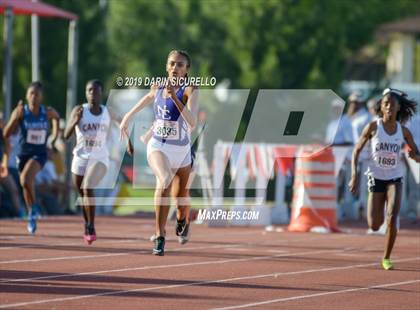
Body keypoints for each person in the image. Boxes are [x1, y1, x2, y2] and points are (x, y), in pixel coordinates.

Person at [120, 50, 198, 256]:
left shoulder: (190, 89)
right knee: (164, 181)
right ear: (166, 66)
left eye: (180, 65)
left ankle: (182, 220)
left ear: (186, 69)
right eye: (172, 64)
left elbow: (192, 122)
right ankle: (160, 234)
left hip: (181, 150)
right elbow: (146, 99)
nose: (175, 68)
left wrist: (175, 97)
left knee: (181, 197)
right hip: (158, 147)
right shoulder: (158, 86)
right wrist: (126, 118)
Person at [349, 88, 420, 270]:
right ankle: (378, 227)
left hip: (395, 178)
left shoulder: (403, 131)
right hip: (376, 177)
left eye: (392, 105)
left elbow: (416, 153)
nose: (388, 107)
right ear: (381, 106)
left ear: (398, 108)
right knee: (374, 224)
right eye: (385, 104)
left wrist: (415, 156)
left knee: (392, 216)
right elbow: (356, 150)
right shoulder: (373, 127)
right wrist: (355, 175)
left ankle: (386, 257)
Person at [3, 81, 59, 233]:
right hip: (23, 154)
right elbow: (6, 134)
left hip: (39, 154)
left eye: (37, 94)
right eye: (31, 93)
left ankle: (32, 211)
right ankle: (31, 212)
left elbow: (56, 118)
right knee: (26, 185)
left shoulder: (46, 112)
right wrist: (15, 117)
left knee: (26, 179)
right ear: (27, 96)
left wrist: (53, 138)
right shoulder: (22, 113)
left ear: (41, 97)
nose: (34, 96)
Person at [64, 79, 112, 245]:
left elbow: (123, 123)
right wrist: (75, 121)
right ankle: (87, 224)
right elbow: (66, 135)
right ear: (86, 93)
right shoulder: (79, 110)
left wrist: (127, 140)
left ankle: (91, 225)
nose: (93, 93)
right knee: (82, 194)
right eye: (89, 90)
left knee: (87, 187)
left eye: (96, 90)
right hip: (80, 157)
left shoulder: (107, 111)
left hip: (100, 158)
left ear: (101, 93)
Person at [347, 91, 372, 218]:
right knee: (349, 183)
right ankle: (350, 208)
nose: (352, 104)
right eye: (352, 102)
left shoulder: (366, 117)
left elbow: (368, 138)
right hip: (348, 155)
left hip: (362, 156)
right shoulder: (351, 117)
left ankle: (362, 210)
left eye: (355, 102)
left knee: (362, 185)